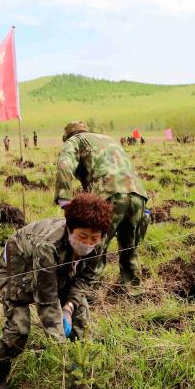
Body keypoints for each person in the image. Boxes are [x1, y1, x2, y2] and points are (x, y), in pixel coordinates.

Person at [0, 192, 111, 389]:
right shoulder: (48, 246)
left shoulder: (98, 244)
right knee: (19, 329)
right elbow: (46, 299)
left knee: (83, 325)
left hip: (61, 270)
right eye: (82, 237)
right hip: (18, 269)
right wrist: (60, 345)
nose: (88, 243)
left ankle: (79, 384)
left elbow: (85, 279)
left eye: (94, 238)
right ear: (70, 229)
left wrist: (69, 309)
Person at [55, 121, 149, 297]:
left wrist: (64, 200)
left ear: (68, 136)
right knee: (129, 247)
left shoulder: (75, 141)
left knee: (95, 244)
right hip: (137, 193)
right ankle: (135, 292)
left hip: (110, 194)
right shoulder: (108, 139)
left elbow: (64, 165)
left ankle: (86, 294)